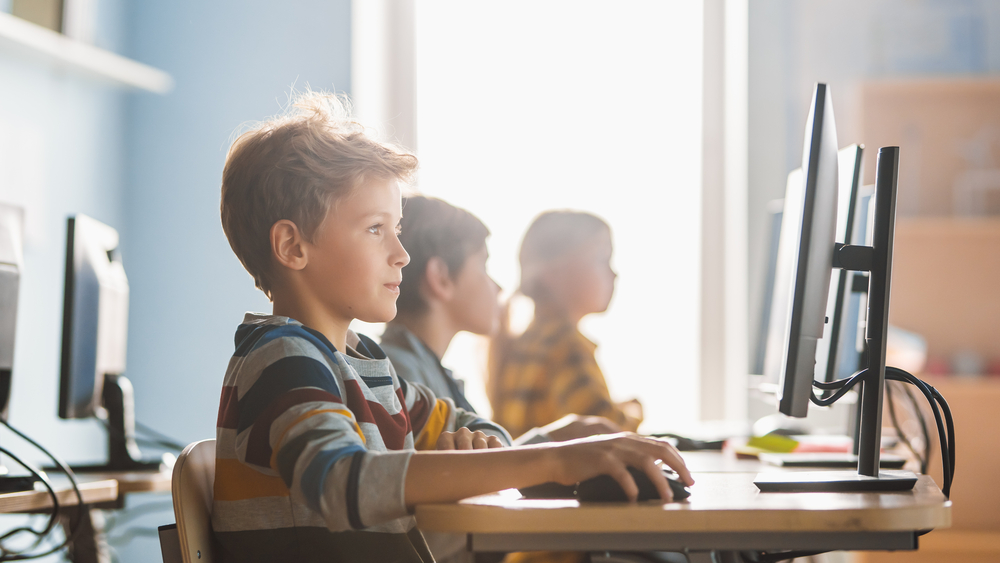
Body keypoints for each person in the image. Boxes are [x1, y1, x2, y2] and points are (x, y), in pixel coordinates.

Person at [215, 91, 693, 563]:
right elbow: (342, 482)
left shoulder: (365, 365)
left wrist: (477, 445)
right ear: (293, 247)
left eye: (397, 230)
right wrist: (555, 459)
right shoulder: (282, 358)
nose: (400, 254)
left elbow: (475, 427)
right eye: (376, 229)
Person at [380, 196, 623, 563]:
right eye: (484, 266)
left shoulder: (429, 371)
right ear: (441, 277)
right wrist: (550, 450)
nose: (497, 287)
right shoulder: (402, 377)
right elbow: (439, 518)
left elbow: (475, 468)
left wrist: (549, 442)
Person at [489, 211, 644, 440]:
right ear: (553, 273)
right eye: (602, 259)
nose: (614, 273)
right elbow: (608, 431)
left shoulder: (525, 341)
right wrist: (634, 410)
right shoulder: (565, 346)